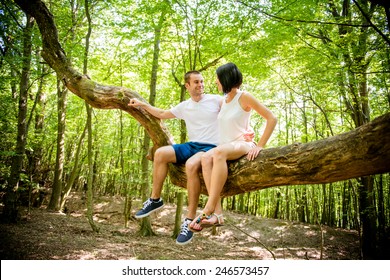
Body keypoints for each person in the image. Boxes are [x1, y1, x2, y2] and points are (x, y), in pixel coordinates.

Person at [129, 70, 227, 245]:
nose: (201, 85)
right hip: (192, 145)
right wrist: (142, 105)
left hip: (211, 147)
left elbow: (235, 111)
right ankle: (155, 200)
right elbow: (162, 113)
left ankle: (189, 220)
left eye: (202, 81)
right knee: (160, 153)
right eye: (196, 82)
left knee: (190, 165)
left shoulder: (216, 100)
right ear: (187, 85)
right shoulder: (185, 106)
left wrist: (246, 134)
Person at [189, 62, 277, 231]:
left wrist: (259, 145)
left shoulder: (244, 97)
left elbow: (271, 118)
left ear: (226, 79)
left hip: (243, 144)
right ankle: (217, 215)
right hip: (226, 146)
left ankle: (208, 207)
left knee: (218, 152)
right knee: (206, 157)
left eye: (217, 78)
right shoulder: (223, 101)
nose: (215, 82)